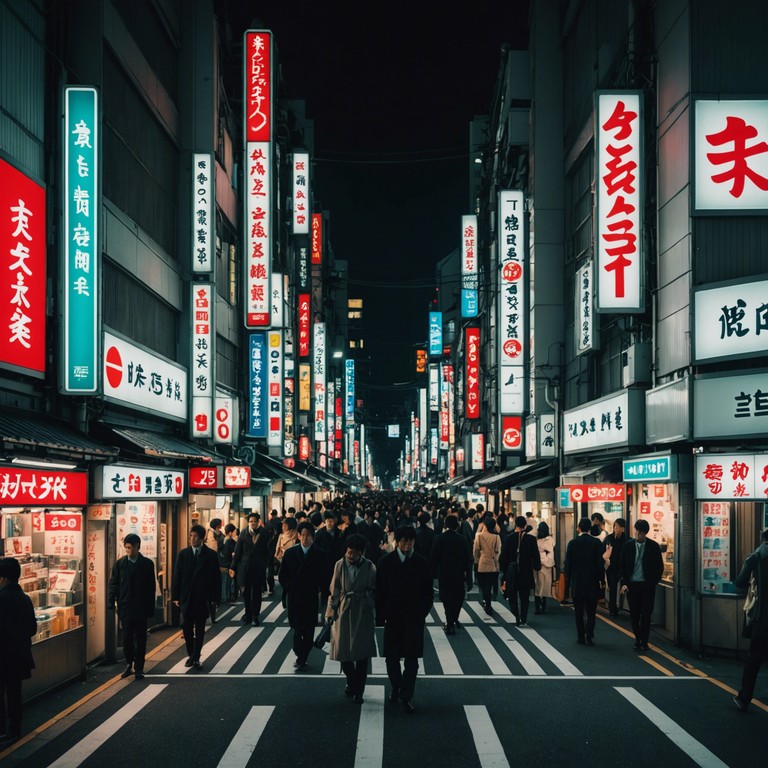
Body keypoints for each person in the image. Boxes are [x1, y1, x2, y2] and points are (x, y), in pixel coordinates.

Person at [375, 525, 433, 713]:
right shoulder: (386, 562)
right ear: (397, 541)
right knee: (391, 659)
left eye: (410, 540)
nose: (407, 544)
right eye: (404, 540)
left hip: (413, 618)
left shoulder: (422, 563)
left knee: (412, 660)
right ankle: (397, 686)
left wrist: (421, 612)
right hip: (392, 618)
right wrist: (381, 614)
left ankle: (406, 695)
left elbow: (428, 593)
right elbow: (379, 591)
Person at [326, 534, 377, 704]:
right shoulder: (339, 565)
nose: (350, 556)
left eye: (354, 553)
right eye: (348, 552)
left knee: (361, 653)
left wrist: (367, 602)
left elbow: (374, 589)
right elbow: (334, 589)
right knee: (343, 651)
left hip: (362, 611)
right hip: (343, 610)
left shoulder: (370, 567)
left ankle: (358, 690)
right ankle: (352, 680)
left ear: (361, 553)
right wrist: (330, 611)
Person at [278, 521, 331, 671]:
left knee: (308, 629)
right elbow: (283, 575)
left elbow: (325, 576)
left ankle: (303, 657)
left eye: (308, 535)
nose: (305, 538)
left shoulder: (320, 554)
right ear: (298, 536)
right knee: (296, 628)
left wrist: (323, 592)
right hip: (294, 596)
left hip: (311, 596)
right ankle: (298, 652)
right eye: (302, 535)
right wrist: (289, 586)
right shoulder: (290, 553)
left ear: (313, 537)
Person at [107, 533, 157, 680]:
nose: (127, 550)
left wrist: (150, 609)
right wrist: (112, 602)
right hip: (125, 606)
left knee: (140, 638)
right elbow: (113, 584)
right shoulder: (120, 564)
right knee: (127, 638)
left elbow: (151, 588)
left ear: (137, 547)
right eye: (126, 548)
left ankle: (139, 667)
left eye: (130, 548)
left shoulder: (147, 564)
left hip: (141, 607)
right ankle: (129, 663)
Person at [172, 525, 220, 669]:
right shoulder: (184, 554)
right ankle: (191, 654)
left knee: (200, 629)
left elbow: (216, 578)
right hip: (186, 597)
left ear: (202, 538)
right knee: (186, 628)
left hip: (202, 597)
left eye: (195, 536)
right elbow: (177, 576)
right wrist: (175, 595)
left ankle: (196, 656)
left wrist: (215, 598)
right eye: (191, 535)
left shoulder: (210, 555)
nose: (192, 539)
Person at [0, 557, 36, 745]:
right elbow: (32, 629)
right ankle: (15, 729)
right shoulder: (25, 599)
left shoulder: (1, 599)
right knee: (15, 693)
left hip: (2, 656)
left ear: (3, 578)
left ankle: (2, 730)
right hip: (19, 655)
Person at [733, 528, 768, 712]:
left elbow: (740, 581)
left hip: (763, 618)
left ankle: (744, 697)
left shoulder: (756, 556)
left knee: (754, 659)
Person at [620, 518, 664, 652]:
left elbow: (659, 567)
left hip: (647, 586)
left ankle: (644, 641)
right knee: (634, 614)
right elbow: (622, 566)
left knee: (646, 615)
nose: (638, 534)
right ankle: (637, 639)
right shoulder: (628, 546)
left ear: (645, 533)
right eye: (637, 531)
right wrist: (624, 583)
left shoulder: (653, 546)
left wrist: (653, 582)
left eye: (640, 532)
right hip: (632, 585)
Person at [564, 518, 604, 645]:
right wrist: (601, 580)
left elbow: (568, 564)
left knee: (579, 611)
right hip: (592, 582)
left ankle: (581, 636)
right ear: (589, 529)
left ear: (579, 528)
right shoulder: (596, 543)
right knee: (591, 611)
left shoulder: (573, 543)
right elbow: (600, 564)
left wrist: (568, 581)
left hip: (577, 582)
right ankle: (590, 635)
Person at [431, 514, 473, 634]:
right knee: (458, 597)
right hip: (458, 572)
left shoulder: (439, 538)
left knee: (446, 597)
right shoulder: (462, 539)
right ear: (457, 525)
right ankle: (453, 619)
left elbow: (434, 557)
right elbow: (467, 557)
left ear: (445, 525)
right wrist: (466, 571)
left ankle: (450, 622)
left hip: (444, 572)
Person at [500, 515, 541, 626]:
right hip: (526, 572)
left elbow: (502, 558)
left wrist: (504, 572)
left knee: (512, 595)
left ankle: (516, 615)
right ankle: (523, 617)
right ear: (525, 526)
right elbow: (536, 557)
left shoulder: (508, 538)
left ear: (516, 525)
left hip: (511, 572)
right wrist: (537, 567)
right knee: (524, 597)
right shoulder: (531, 539)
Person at [230, 513, 269, 626]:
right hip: (245, 567)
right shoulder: (243, 533)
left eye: (254, 521)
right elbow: (237, 551)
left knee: (257, 592)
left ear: (258, 522)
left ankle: (255, 615)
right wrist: (233, 566)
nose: (252, 523)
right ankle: (248, 614)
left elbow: (267, 551)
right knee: (246, 592)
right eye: (251, 521)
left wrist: (264, 563)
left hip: (258, 567)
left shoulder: (264, 533)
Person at [473, 516, 501, 616]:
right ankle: (489, 603)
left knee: (484, 586)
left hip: (482, 563)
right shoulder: (496, 537)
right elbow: (498, 551)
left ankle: (486, 602)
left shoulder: (479, 535)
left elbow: (476, 550)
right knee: (491, 585)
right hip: (493, 564)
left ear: (485, 525)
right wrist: (497, 565)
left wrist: (476, 561)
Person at [603, 518, 627, 616]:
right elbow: (603, 551)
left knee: (623, 587)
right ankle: (612, 608)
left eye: (617, 527)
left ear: (622, 528)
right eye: (614, 526)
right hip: (611, 566)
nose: (615, 529)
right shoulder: (609, 538)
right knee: (612, 588)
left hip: (623, 567)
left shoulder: (626, 539)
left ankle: (621, 605)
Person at [204, 518, 224, 623]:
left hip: (212, 568)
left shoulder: (213, 534)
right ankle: (211, 616)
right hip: (212, 568)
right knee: (211, 595)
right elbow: (214, 550)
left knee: (211, 595)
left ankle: (211, 616)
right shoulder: (212, 537)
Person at [534, 522, 555, 615]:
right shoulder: (549, 539)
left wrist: (541, 555)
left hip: (542, 565)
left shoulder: (547, 540)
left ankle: (539, 606)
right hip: (544, 566)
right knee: (541, 586)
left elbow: (547, 552)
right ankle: (540, 605)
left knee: (540, 586)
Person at [221, 524, 238, 603]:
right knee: (229, 582)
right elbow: (228, 554)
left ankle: (228, 596)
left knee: (228, 582)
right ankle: (228, 596)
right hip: (228, 565)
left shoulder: (225, 540)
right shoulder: (229, 542)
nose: (236, 533)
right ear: (230, 533)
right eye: (235, 531)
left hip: (227, 564)